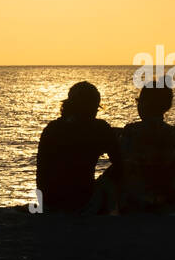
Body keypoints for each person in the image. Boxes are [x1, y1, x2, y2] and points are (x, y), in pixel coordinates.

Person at [117, 82, 175, 213]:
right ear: (166, 107)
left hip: (139, 204)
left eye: (139, 101)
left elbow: (120, 163)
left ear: (144, 105)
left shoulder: (131, 132)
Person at [35, 81, 121, 214]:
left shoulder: (52, 128)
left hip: (48, 201)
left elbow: (41, 171)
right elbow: (119, 162)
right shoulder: (99, 129)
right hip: (81, 202)